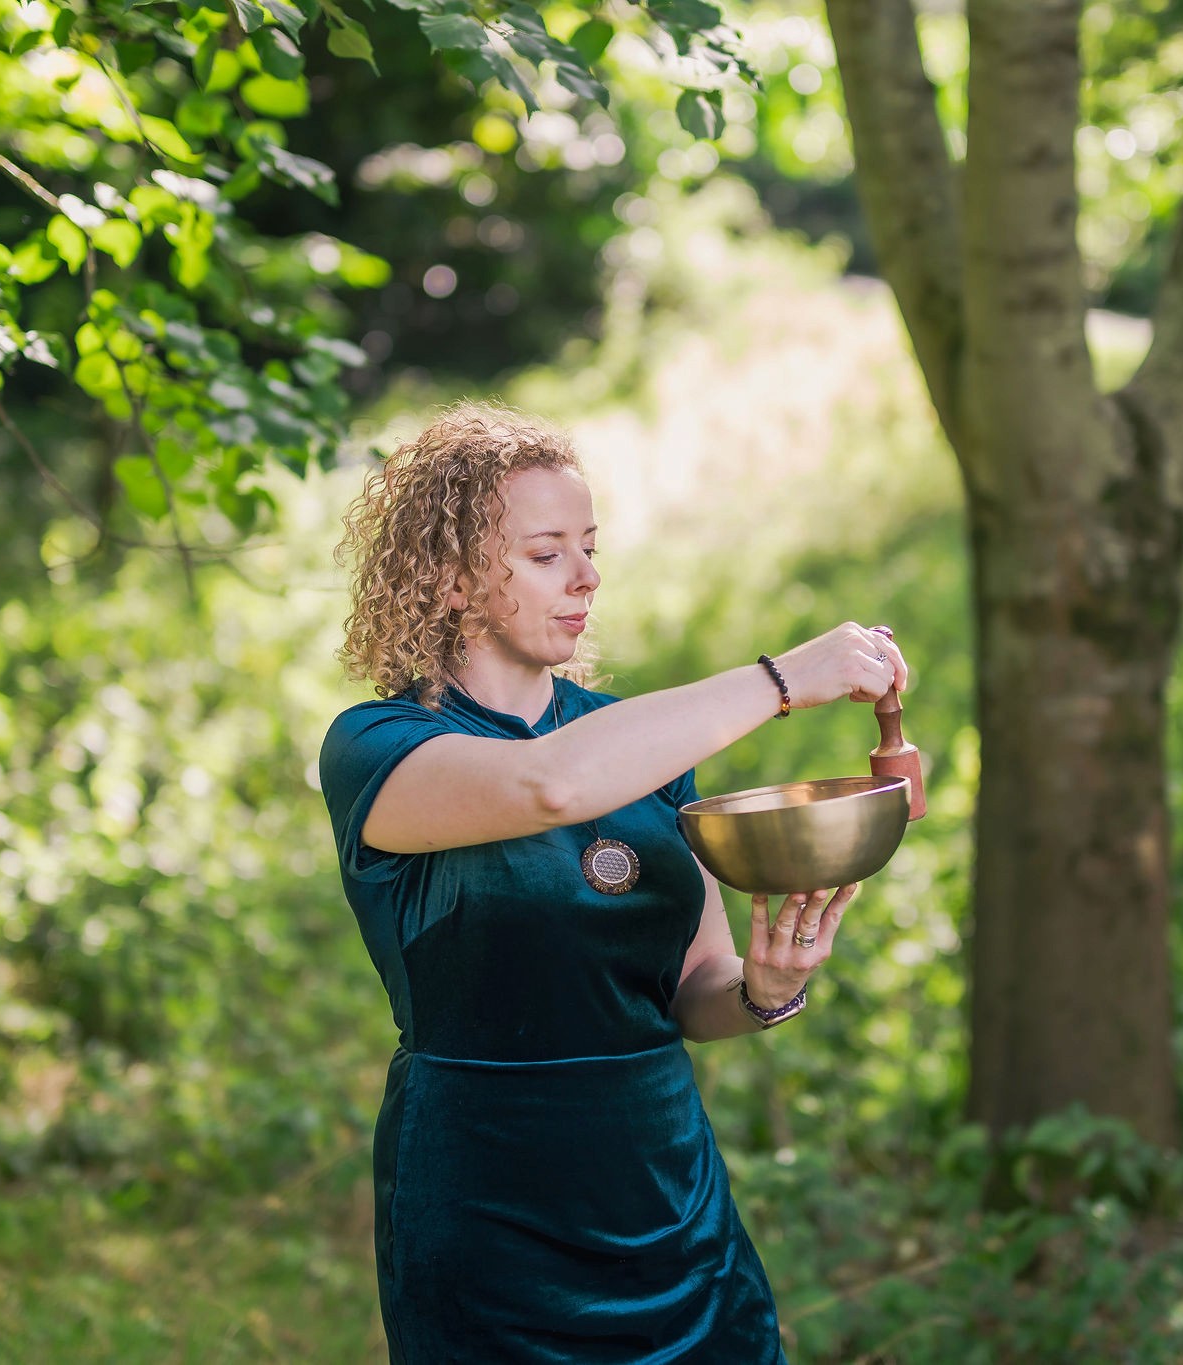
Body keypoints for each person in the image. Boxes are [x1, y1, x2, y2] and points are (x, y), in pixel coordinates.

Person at [317, 401, 912, 1363]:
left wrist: (768, 989)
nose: (588, 576)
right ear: (452, 576)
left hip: (667, 1190)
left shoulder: (640, 747)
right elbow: (548, 784)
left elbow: (694, 992)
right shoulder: (379, 747)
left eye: (589, 546)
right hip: (487, 1203)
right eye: (547, 553)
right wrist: (784, 678)